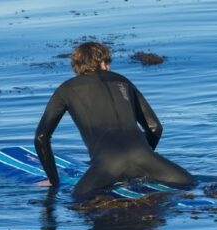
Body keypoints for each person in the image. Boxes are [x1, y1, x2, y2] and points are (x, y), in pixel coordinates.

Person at [34, 42, 194, 199]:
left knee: (78, 199)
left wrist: (54, 181)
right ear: (103, 63)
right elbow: (155, 128)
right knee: (189, 184)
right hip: (145, 158)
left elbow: (41, 138)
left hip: (108, 166)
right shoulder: (123, 81)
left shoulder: (66, 89)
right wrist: (144, 159)